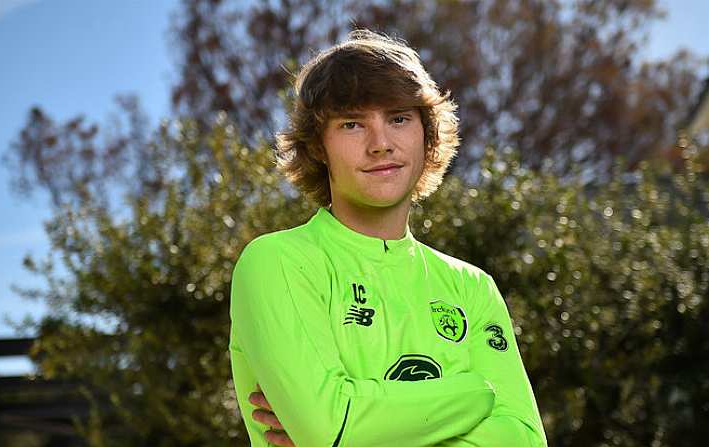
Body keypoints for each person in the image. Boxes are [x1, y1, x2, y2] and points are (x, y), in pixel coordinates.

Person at [229, 29, 547, 447]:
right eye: (352, 124)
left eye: (398, 118)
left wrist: (364, 426)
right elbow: (331, 429)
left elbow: (523, 439)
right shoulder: (277, 262)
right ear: (319, 147)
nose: (380, 144)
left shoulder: (472, 287)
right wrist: (472, 395)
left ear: (427, 133)